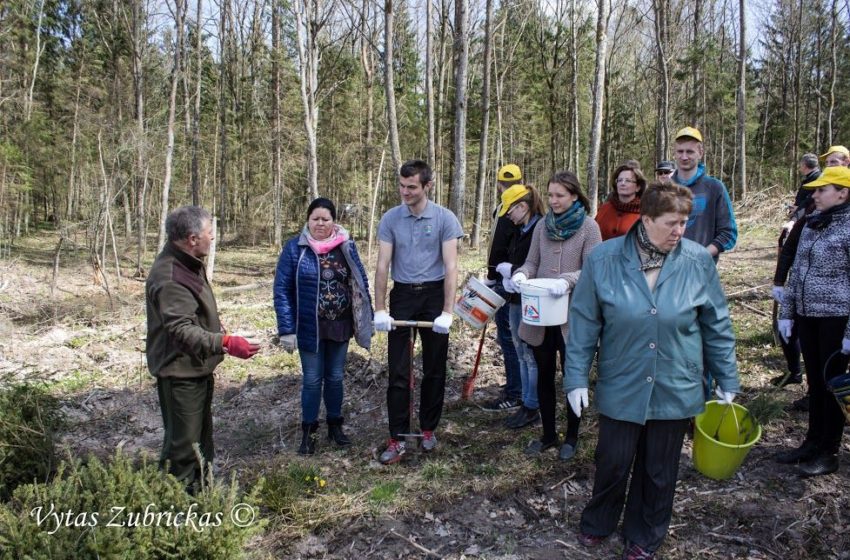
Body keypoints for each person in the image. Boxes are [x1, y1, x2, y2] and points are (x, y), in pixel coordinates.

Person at [565, 183, 739, 560]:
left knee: (659, 470)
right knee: (612, 460)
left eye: (685, 222)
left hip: (676, 381)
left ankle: (644, 534)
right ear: (645, 220)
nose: (681, 231)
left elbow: (717, 323)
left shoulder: (697, 261)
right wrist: (576, 376)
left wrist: (727, 376)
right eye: (672, 223)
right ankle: (600, 521)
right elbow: (583, 322)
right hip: (622, 377)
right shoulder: (604, 259)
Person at [146, 205, 260, 493]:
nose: (213, 238)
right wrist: (224, 343)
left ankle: (201, 495)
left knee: (200, 442)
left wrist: (214, 328)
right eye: (210, 233)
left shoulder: (187, 261)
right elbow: (181, 330)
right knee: (183, 448)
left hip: (194, 368)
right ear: (192, 238)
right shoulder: (171, 276)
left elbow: (191, 315)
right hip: (180, 373)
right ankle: (176, 510)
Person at [373, 159, 463, 465]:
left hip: (434, 295)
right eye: (401, 185)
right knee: (398, 370)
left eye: (412, 186)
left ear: (427, 185)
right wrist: (380, 308)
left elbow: (451, 266)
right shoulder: (390, 219)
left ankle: (428, 429)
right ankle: (396, 436)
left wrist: (447, 312)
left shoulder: (444, 218)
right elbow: (383, 264)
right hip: (403, 295)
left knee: (434, 368)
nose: (405, 191)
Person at [511, 171, 602, 459]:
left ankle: (572, 437)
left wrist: (567, 281)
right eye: (550, 195)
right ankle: (548, 433)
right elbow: (532, 262)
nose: (553, 201)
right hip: (542, 316)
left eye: (560, 195)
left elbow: (592, 268)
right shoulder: (541, 227)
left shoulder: (589, 228)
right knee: (544, 374)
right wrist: (521, 275)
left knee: (572, 376)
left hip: (572, 317)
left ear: (574, 196)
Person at [274, 197, 373, 455]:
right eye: (315, 218)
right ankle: (308, 432)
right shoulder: (295, 248)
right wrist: (286, 329)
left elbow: (361, 283)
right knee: (312, 379)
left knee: (336, 377)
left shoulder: (346, 247)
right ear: (308, 220)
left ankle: (335, 426)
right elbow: (282, 290)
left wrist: (365, 320)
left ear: (333, 221)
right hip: (309, 326)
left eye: (325, 219)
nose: (320, 223)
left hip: (340, 325)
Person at [776, 165, 850, 477]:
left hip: (836, 318)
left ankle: (829, 451)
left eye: (822, 190)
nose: (814, 194)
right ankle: (811, 442)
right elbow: (796, 271)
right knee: (815, 384)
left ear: (843, 193)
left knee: (831, 384)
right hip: (807, 316)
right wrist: (787, 312)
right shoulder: (811, 222)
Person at [493, 184, 545, 429]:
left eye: (510, 210)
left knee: (530, 354)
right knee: (520, 351)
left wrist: (513, 272)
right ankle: (525, 402)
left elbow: (538, 265)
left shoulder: (540, 229)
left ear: (523, 207)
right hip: (516, 298)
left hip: (531, 299)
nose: (508, 216)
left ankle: (532, 405)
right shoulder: (521, 229)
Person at [770, 153, 820, 389]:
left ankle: (817, 395)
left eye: (821, 191)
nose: (815, 195)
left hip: (832, 308)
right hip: (799, 290)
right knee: (789, 333)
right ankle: (795, 373)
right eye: (814, 192)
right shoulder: (809, 216)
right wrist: (779, 282)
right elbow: (790, 249)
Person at [482, 163, 524, 412]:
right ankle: (516, 387)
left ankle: (515, 392)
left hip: (509, 280)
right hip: (506, 276)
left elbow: (499, 246)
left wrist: (491, 274)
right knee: (510, 336)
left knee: (510, 337)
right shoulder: (503, 208)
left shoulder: (512, 210)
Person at [671, 126, 737, 260]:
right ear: (674, 153)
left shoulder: (715, 188)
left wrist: (702, 255)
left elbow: (728, 233)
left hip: (703, 271)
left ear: (700, 152)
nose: (684, 156)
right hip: (667, 269)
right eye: (680, 151)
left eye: (690, 151)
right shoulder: (663, 189)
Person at [595, 160, 647, 241]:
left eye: (628, 180)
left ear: (638, 187)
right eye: (619, 180)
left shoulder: (645, 213)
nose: (622, 183)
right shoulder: (605, 208)